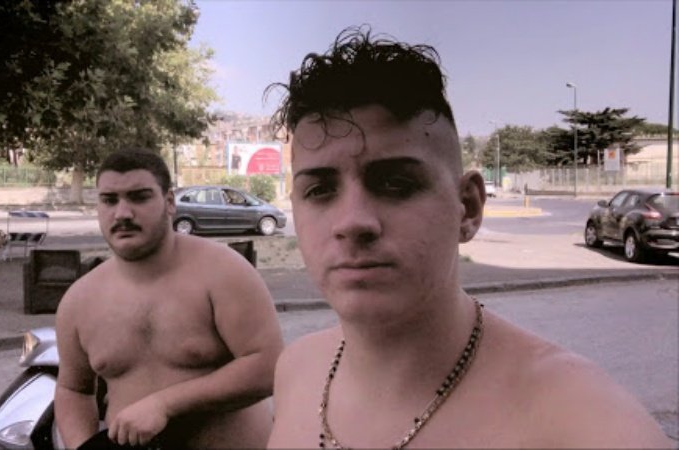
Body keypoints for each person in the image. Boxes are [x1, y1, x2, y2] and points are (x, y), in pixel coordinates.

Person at [265, 27, 671, 448]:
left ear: (468, 207)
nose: (352, 222)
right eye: (319, 190)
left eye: (396, 184)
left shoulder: (585, 424)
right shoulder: (296, 372)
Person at [54, 149, 284, 449]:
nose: (122, 213)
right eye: (109, 200)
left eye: (139, 197)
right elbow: (73, 389)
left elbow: (269, 366)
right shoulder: (79, 301)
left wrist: (165, 404)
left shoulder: (222, 272)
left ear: (170, 202)